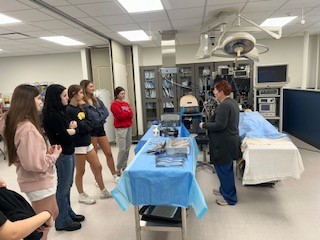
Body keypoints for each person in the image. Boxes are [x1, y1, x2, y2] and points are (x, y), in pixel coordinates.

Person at [0, 84, 62, 239]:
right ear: (28, 101)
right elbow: (34, 164)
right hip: (37, 180)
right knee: (42, 225)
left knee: (51, 213)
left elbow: (27, 156)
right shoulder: (27, 128)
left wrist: (42, 153)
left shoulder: (13, 122)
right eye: (37, 98)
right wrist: (52, 156)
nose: (41, 101)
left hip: (33, 180)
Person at [42, 84, 84, 231]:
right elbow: (64, 135)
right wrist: (72, 130)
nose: (67, 98)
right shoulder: (51, 115)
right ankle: (61, 220)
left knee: (68, 185)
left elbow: (67, 131)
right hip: (62, 153)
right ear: (56, 97)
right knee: (63, 187)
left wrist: (70, 128)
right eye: (64, 96)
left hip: (68, 151)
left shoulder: (60, 112)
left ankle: (68, 213)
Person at [66, 84, 112, 205]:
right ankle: (81, 195)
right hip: (78, 144)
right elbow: (79, 127)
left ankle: (103, 190)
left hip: (87, 142)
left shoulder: (81, 108)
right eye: (80, 93)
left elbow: (88, 123)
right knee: (81, 171)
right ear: (74, 94)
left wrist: (83, 125)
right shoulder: (69, 110)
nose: (83, 95)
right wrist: (83, 125)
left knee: (98, 166)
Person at [199, 80, 241, 206]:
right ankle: (224, 190)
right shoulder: (232, 103)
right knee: (224, 169)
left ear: (222, 92)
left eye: (216, 92)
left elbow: (220, 125)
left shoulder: (224, 106)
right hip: (229, 141)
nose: (214, 94)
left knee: (224, 170)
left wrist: (204, 125)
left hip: (224, 143)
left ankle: (230, 198)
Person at [80, 80, 119, 183]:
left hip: (100, 129)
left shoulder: (96, 100)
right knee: (94, 158)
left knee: (109, 153)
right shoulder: (82, 102)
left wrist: (98, 116)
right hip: (91, 131)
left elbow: (106, 112)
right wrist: (98, 116)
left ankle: (114, 175)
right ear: (85, 88)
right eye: (91, 86)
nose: (93, 88)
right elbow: (92, 116)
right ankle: (98, 179)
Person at [110, 87, 133, 175]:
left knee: (127, 148)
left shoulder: (126, 104)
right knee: (122, 149)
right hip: (121, 128)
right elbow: (120, 116)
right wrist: (127, 114)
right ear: (117, 94)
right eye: (121, 94)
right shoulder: (114, 105)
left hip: (128, 126)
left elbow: (131, 114)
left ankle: (125, 166)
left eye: (124, 93)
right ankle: (118, 168)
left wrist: (126, 114)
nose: (123, 95)